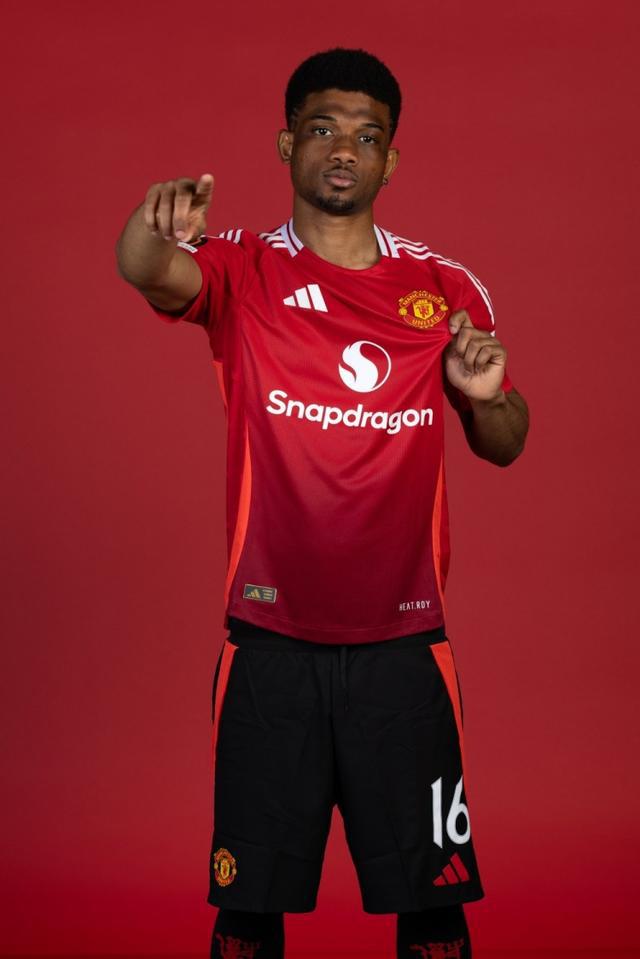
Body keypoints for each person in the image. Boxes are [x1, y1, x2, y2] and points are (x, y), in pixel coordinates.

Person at [115, 47, 529, 959]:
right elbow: (146, 269)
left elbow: (505, 441)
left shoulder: (445, 288)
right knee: (247, 914)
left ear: (391, 160)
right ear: (286, 144)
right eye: (323, 129)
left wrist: (488, 394)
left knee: (434, 915)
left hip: (404, 649)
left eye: (367, 136)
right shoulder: (242, 268)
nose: (345, 149)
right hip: (269, 645)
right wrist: (152, 224)